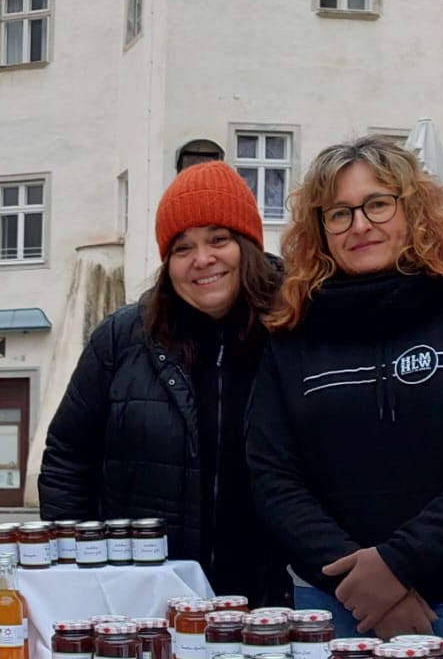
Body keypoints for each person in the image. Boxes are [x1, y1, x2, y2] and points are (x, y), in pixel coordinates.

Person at [245, 137, 443, 641]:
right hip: (333, 597)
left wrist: (398, 564)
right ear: (320, 230)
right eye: (339, 213)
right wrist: (365, 587)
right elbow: (273, 475)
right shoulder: (291, 332)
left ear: (414, 209)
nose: (360, 225)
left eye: (378, 204)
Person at [37, 161, 287, 601]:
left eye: (218, 239)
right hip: (147, 597)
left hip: (275, 596)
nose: (202, 259)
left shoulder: (297, 328)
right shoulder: (122, 339)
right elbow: (68, 458)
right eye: (182, 247)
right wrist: (77, 569)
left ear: (247, 244)